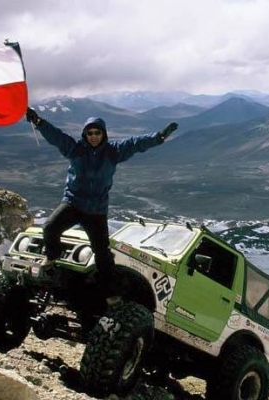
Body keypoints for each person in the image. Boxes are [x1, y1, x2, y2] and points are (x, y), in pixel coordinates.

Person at [25, 107, 178, 295]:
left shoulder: (113, 152)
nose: (94, 136)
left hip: (96, 211)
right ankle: (51, 258)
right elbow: (57, 136)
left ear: (103, 134)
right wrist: (39, 122)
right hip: (73, 203)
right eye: (90, 133)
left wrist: (159, 137)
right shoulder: (76, 149)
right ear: (85, 134)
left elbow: (135, 144)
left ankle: (111, 295)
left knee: (103, 256)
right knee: (50, 227)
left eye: (97, 132)